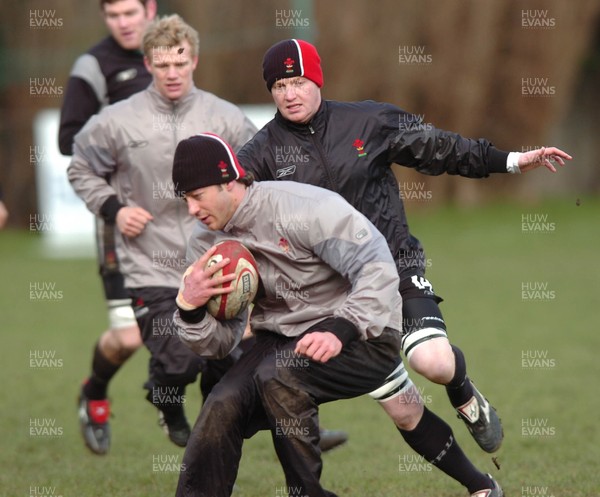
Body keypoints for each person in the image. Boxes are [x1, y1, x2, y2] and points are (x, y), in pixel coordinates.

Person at [237, 38, 573, 455]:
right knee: (403, 409)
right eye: (279, 85)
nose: (290, 94)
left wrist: (511, 161)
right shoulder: (259, 155)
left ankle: (465, 394)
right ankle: (480, 484)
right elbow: (236, 220)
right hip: (332, 295)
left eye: (299, 81)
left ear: (317, 80)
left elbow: (442, 149)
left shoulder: (368, 121)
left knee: (435, 363)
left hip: (395, 264)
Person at [170, 133, 504, 497]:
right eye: (185, 199)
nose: (191, 210)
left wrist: (341, 327)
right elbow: (220, 343)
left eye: (197, 196)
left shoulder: (302, 207)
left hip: (365, 335)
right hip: (282, 341)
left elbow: (376, 266)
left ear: (227, 181)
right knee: (222, 403)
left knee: (279, 376)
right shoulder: (206, 245)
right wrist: (189, 309)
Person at [67, 14, 258, 452]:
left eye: (180, 63)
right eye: (162, 65)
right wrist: (114, 208)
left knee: (231, 356)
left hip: (211, 260)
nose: (172, 74)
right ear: (148, 64)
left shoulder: (224, 116)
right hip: (147, 262)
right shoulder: (117, 120)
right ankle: (166, 397)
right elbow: (79, 166)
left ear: (195, 60)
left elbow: (254, 174)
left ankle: (245, 432)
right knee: (178, 355)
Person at [58, 0, 157, 455]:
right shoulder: (94, 65)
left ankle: (287, 423)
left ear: (150, 9)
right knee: (128, 336)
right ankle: (94, 392)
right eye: (114, 14)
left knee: (227, 317)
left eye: (130, 12)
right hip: (121, 217)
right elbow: (67, 139)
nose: (123, 23)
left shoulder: (169, 52)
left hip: (179, 218)